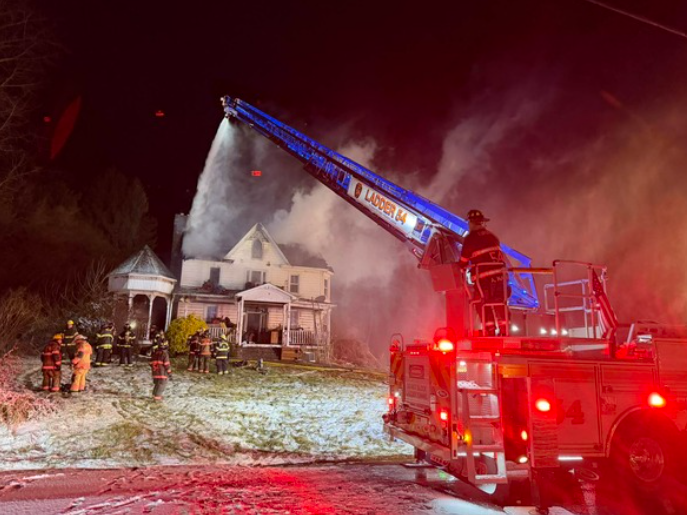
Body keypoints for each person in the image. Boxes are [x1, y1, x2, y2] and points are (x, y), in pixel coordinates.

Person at [459, 209, 509, 336]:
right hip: (501, 278)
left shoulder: (470, 239)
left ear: (471, 223)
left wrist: (459, 267)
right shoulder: (493, 237)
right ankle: (505, 330)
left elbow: (463, 261)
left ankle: (489, 331)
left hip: (484, 279)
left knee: (482, 304)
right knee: (500, 303)